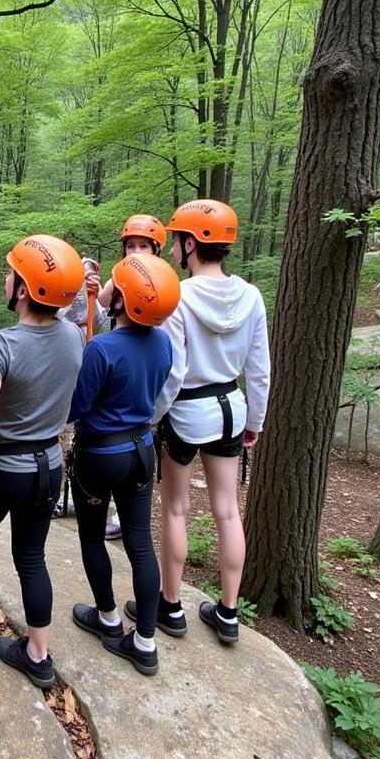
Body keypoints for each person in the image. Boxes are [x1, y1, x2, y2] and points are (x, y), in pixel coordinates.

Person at [0, 236, 85, 689]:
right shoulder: (73, 336)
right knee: (32, 557)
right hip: (48, 465)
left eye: (11, 272)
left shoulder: (1, 344)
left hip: (1, 470)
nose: (4, 277)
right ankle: (38, 653)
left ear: (25, 290)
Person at [148, 199, 269, 646]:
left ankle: (171, 605)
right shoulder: (251, 296)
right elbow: (259, 368)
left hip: (186, 412)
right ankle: (229, 612)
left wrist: (152, 417)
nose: (175, 246)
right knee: (227, 511)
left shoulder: (178, 296)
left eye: (178, 238)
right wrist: (254, 418)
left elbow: (173, 371)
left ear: (190, 243)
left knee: (176, 509)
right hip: (231, 411)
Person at [68, 254, 179, 675]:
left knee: (93, 539)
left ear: (125, 302)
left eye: (114, 285)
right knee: (140, 543)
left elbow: (78, 408)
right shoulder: (164, 343)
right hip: (142, 451)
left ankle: (109, 616)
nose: (107, 289)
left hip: (100, 454)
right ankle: (145, 641)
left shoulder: (101, 348)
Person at [95, 214, 169, 540]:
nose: (137, 252)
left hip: (146, 383)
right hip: (121, 375)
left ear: (157, 250)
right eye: (131, 246)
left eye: (144, 246)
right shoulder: (120, 279)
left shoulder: (164, 285)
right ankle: (112, 508)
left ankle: (123, 516)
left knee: (135, 451)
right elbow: (99, 309)